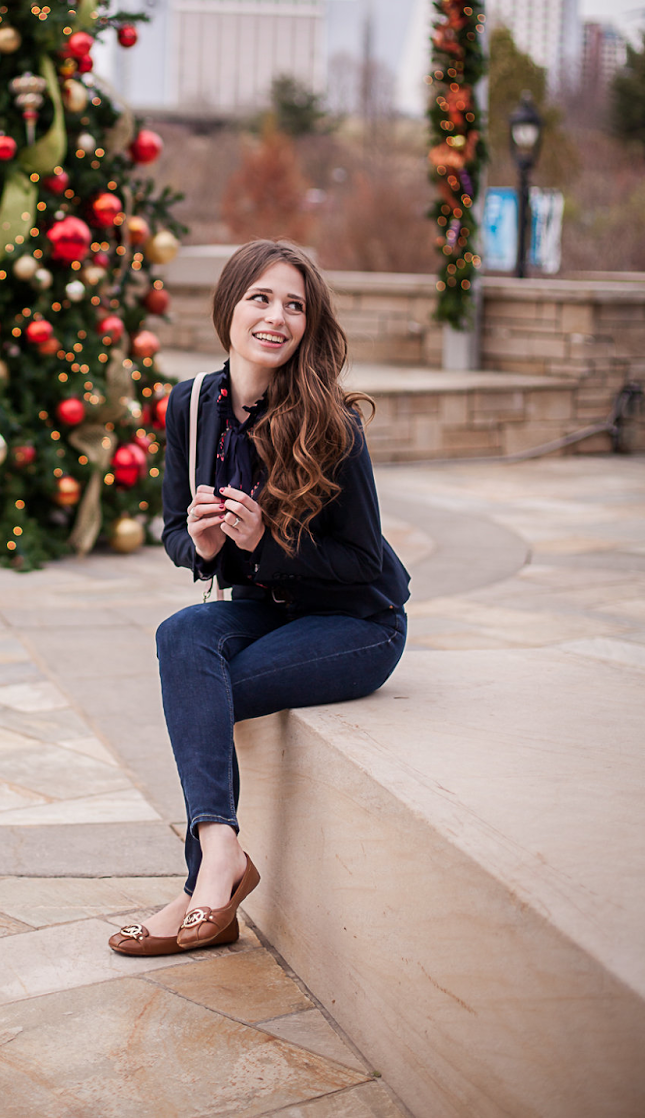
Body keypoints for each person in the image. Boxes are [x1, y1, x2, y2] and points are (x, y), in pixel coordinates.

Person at [109, 239, 409, 957]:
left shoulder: (330, 421)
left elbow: (364, 559)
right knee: (182, 638)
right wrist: (206, 546)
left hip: (357, 623)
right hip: (270, 608)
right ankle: (221, 859)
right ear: (230, 306)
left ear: (309, 323)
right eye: (261, 298)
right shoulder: (190, 407)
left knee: (205, 693)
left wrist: (266, 542)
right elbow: (176, 530)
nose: (277, 317)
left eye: (295, 305)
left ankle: (198, 887)